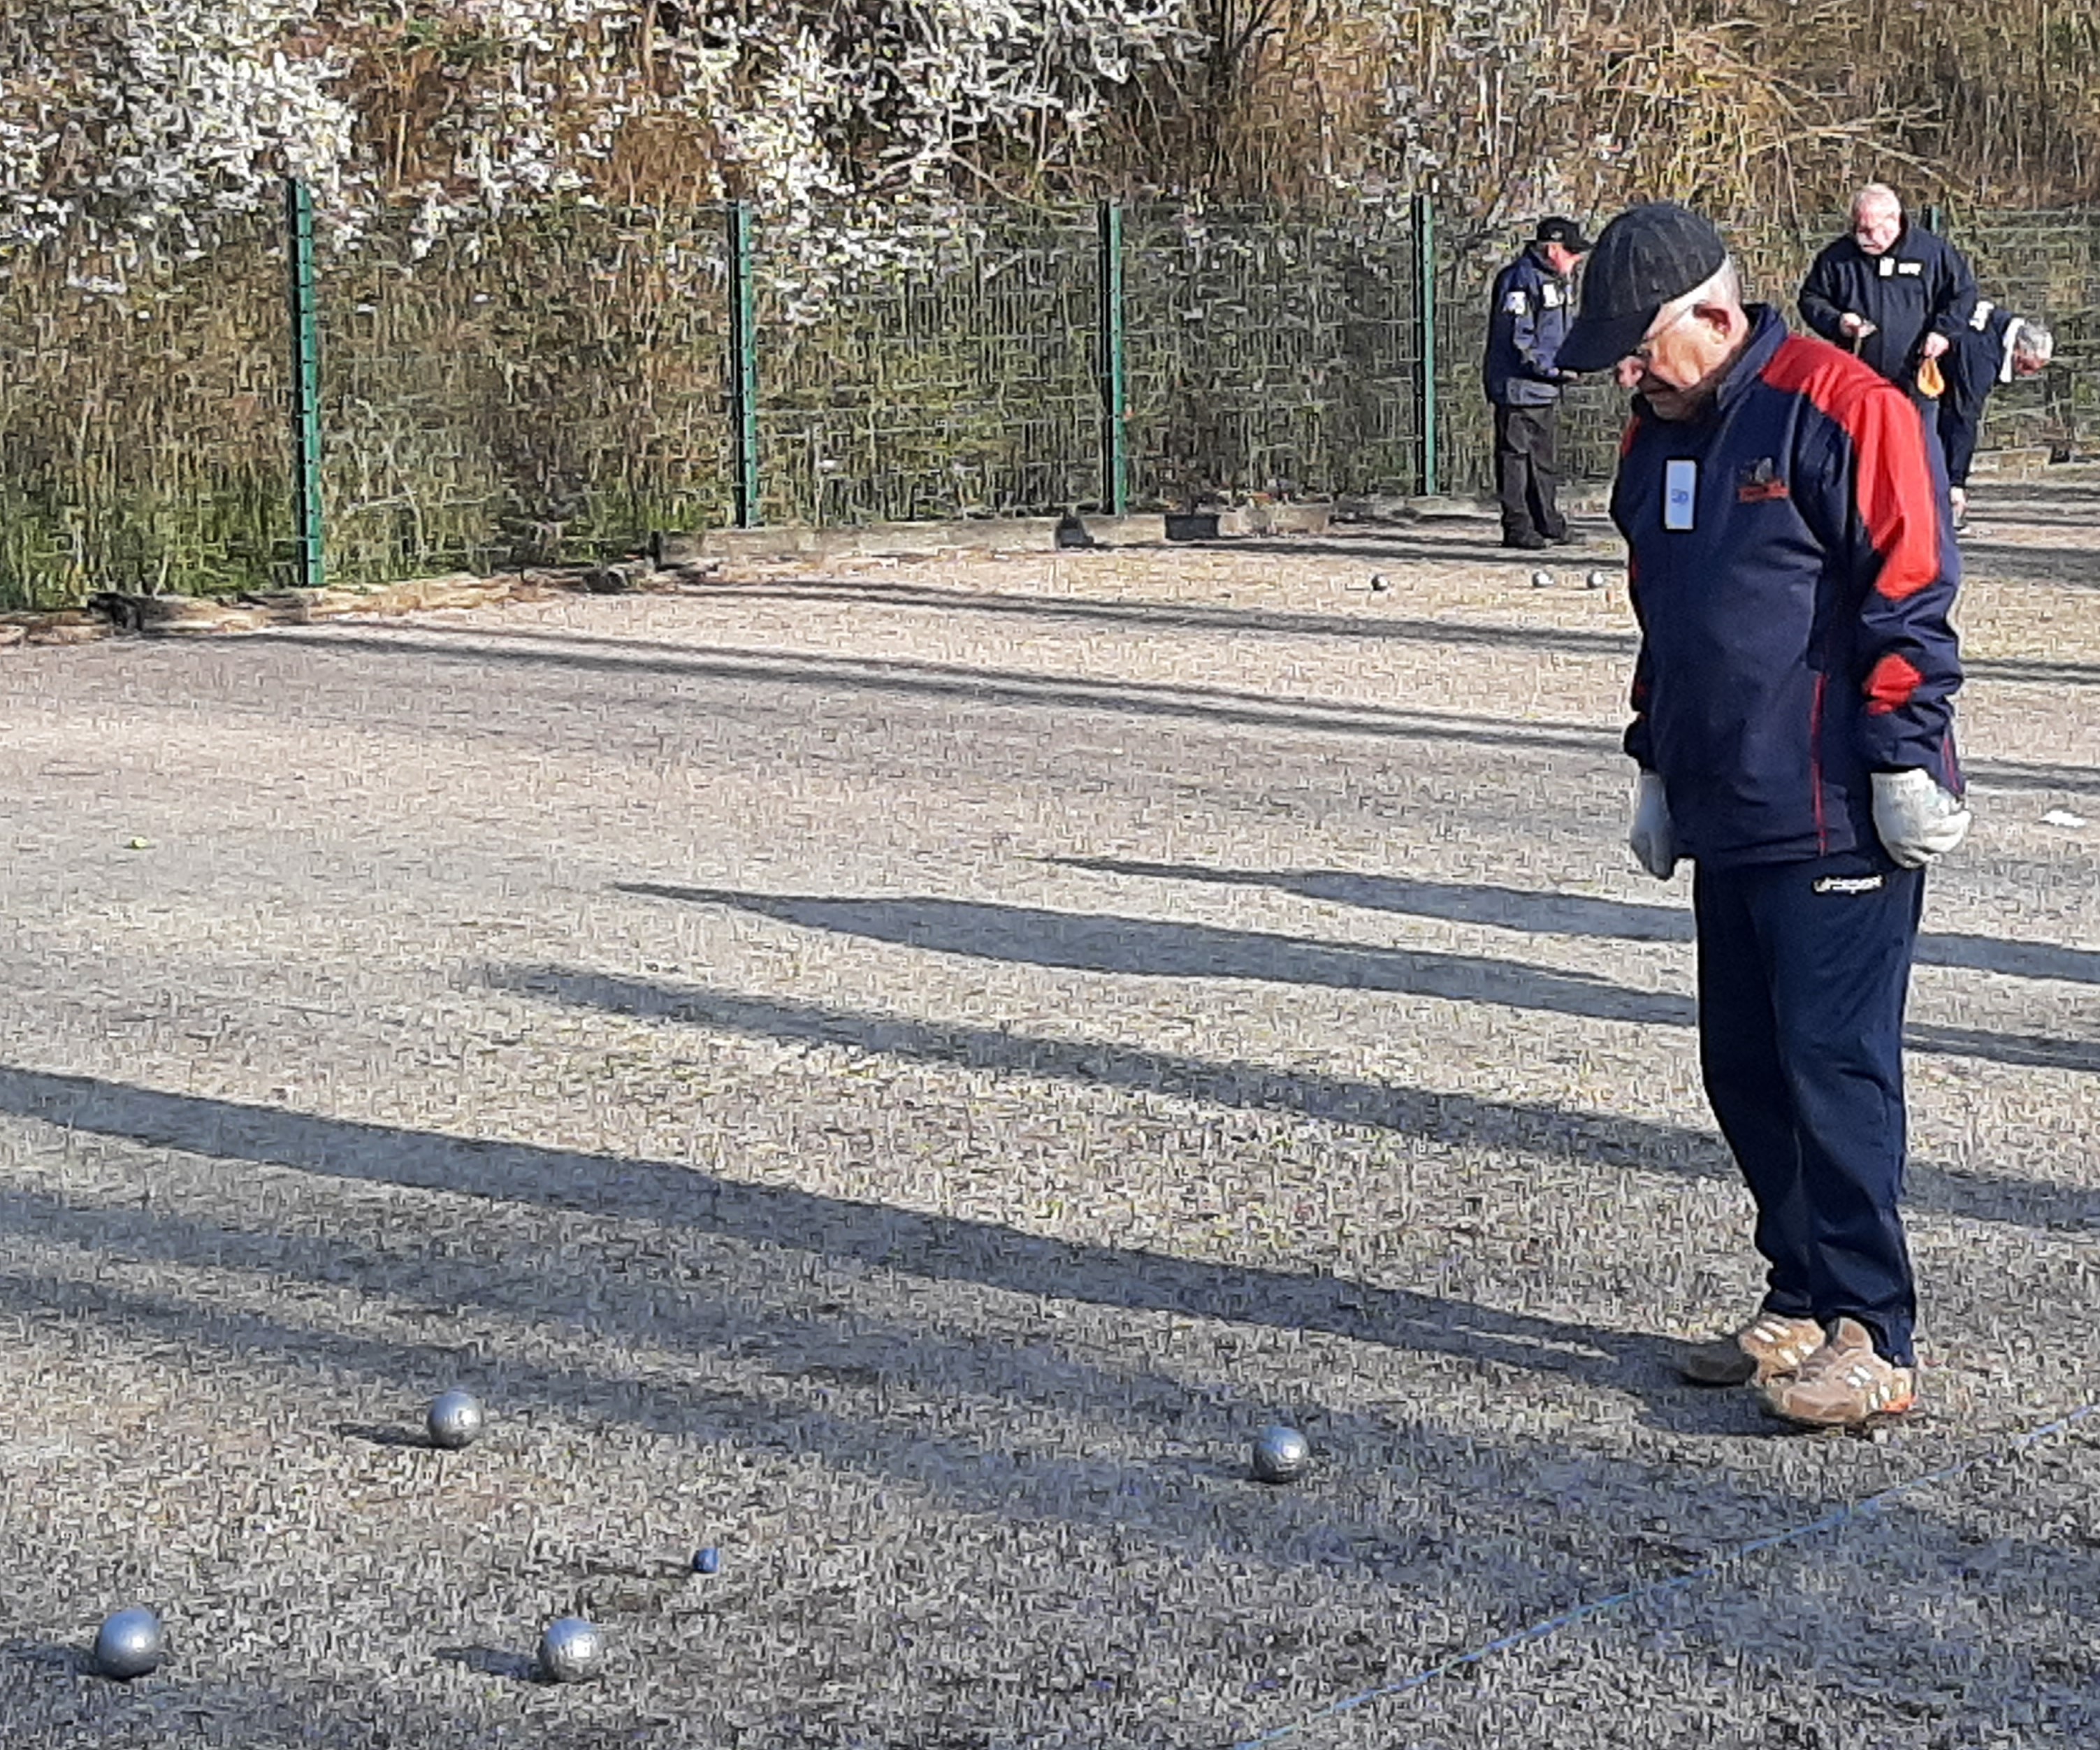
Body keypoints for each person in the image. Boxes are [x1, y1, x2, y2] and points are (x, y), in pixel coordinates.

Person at [1556, 202, 1971, 1429]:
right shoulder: (1655, 442)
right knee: (1742, 1063)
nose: (1627, 373)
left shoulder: (1847, 407)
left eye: (1641, 348)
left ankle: (1873, 1329)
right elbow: (1666, 621)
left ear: (1718, 317)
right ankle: (1797, 1292)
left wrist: (1902, 755)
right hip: (1726, 804)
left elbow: (1912, 587)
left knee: (1833, 1065)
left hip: (1840, 807)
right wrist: (1655, 764)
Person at [1798, 183, 1977, 403]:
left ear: (1895, 219)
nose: (1870, 237)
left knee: (1919, 438)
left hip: (1916, 381)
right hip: (1858, 381)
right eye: (1862, 229)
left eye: (1876, 229)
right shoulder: (1838, 258)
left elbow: (1963, 294)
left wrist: (1943, 332)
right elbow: (1811, 299)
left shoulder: (1933, 253)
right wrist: (1838, 322)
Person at [1484, 216, 1591, 549]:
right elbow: (1520, 340)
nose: (1577, 260)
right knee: (1515, 458)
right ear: (1553, 248)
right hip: (1519, 386)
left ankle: (1548, 523)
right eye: (1572, 253)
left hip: (1543, 389)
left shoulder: (1558, 282)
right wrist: (1553, 369)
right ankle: (1518, 527)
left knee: (1542, 460)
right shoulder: (1520, 280)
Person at [1934, 303, 2053, 527]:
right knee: (1958, 419)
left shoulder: (1995, 325)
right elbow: (1964, 419)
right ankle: (1946, 494)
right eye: (2026, 367)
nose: (2026, 375)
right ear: (2019, 350)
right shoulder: (1982, 357)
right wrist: (1956, 482)